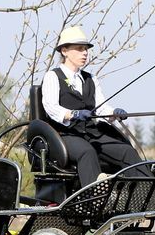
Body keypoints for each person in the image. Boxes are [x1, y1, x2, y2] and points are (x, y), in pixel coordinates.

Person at [40, 25, 149, 187]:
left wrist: (113, 112)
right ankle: (93, 200)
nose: (85, 53)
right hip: (65, 135)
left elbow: (100, 108)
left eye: (86, 49)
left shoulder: (90, 78)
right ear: (64, 51)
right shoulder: (52, 76)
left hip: (92, 133)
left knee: (127, 151)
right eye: (79, 49)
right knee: (87, 152)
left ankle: (150, 193)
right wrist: (73, 114)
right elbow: (50, 106)